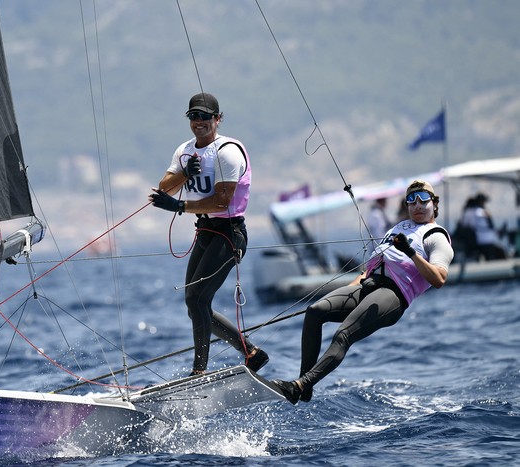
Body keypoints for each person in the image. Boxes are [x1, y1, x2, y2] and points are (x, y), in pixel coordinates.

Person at [272, 180, 454, 404]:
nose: (417, 205)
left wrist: (411, 252)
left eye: (423, 199)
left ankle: (299, 386)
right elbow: (368, 270)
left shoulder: (436, 236)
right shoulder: (398, 228)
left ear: (435, 204)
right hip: (367, 285)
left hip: (393, 295)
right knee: (315, 311)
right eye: (411, 200)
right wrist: (342, 295)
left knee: (343, 335)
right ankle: (304, 387)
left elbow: (439, 279)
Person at [148, 92, 268, 376]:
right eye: (193, 116)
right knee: (194, 303)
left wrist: (179, 205)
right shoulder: (185, 150)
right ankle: (251, 353)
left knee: (198, 299)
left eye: (204, 116)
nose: (198, 122)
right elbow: (164, 187)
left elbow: (221, 201)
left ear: (217, 118)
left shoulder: (227, 151)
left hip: (230, 232)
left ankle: (199, 371)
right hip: (204, 232)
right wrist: (185, 173)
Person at [459, 193, 506, 260]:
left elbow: (464, 224)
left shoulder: (470, 212)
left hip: (478, 240)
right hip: (486, 240)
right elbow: (490, 226)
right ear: (481, 202)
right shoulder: (482, 212)